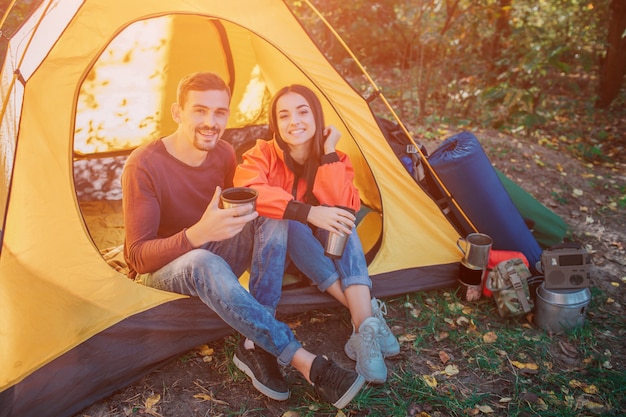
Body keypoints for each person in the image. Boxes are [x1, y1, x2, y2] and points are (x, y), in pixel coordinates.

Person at [122, 72, 364, 409]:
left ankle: (253, 345)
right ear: (178, 112)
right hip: (167, 270)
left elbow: (249, 211)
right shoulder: (143, 165)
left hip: (213, 251)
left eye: (220, 113)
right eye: (200, 111)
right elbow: (137, 258)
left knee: (268, 211)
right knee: (201, 261)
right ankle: (304, 361)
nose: (210, 122)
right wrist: (198, 234)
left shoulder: (223, 153)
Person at [233, 84, 400, 384]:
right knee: (288, 222)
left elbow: (345, 203)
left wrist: (327, 153)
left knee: (343, 217)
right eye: (284, 115)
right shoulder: (262, 153)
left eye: (302, 111)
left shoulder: (334, 156)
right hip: (274, 254)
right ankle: (366, 311)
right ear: (276, 124)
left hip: (319, 255)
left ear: (316, 116)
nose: (294, 121)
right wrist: (306, 212)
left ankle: (363, 328)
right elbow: (250, 190)